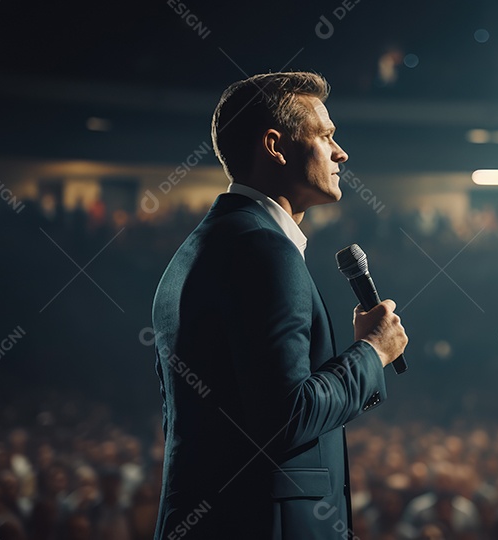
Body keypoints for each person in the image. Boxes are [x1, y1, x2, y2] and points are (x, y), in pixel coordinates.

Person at [151, 71, 408, 539]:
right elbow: (285, 417)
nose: (341, 152)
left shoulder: (203, 246)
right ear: (275, 145)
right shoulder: (263, 251)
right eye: (326, 136)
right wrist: (373, 352)